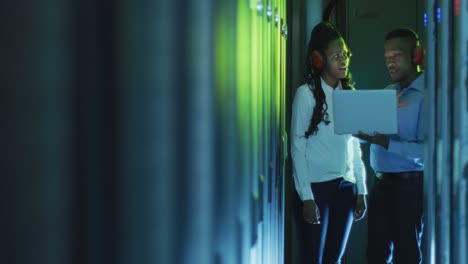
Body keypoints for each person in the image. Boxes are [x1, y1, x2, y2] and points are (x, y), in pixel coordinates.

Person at [290, 21, 368, 264]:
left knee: (335, 258)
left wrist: (361, 190)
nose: (343, 60)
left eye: (345, 54)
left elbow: (355, 146)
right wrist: (307, 197)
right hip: (315, 188)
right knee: (313, 257)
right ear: (318, 60)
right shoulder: (305, 94)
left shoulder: (349, 95)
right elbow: (297, 146)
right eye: (336, 55)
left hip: (344, 188)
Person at [356, 27, 426, 263]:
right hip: (381, 185)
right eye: (387, 58)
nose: (390, 63)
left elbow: (427, 153)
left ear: (416, 56)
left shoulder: (428, 96)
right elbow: (372, 133)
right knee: (375, 254)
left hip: (410, 187)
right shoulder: (387, 93)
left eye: (396, 56)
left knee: (406, 255)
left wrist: (387, 143)